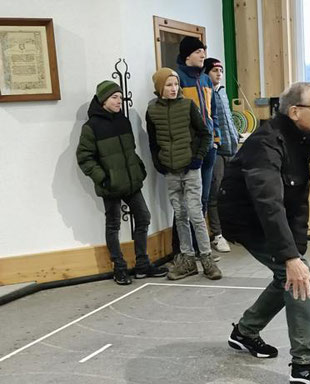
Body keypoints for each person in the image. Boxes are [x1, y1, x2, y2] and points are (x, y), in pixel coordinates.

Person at [218, 82, 310, 384]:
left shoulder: (301, 138)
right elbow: (268, 204)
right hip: (246, 219)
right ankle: (305, 364)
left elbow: (297, 198)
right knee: (296, 275)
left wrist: (297, 249)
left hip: (264, 215)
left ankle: (245, 332)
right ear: (295, 111)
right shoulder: (265, 145)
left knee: (290, 274)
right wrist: (292, 257)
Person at [77, 80, 167, 285]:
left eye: (119, 97)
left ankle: (143, 264)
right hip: (111, 186)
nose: (119, 101)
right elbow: (84, 158)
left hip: (131, 182)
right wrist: (104, 179)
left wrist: (139, 169)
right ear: (103, 101)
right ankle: (119, 268)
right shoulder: (91, 127)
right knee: (113, 225)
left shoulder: (122, 120)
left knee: (143, 217)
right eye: (114, 97)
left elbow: (130, 150)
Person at [146, 68, 222, 280]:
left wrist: (197, 157)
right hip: (170, 171)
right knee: (180, 215)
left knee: (196, 214)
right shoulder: (152, 110)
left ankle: (206, 258)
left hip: (190, 168)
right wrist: (157, 162)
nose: (173, 88)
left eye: (176, 84)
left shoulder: (188, 106)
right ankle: (187, 259)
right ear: (160, 87)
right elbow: (153, 141)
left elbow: (205, 134)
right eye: (169, 85)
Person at [204, 57, 240, 253]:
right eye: (214, 70)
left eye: (221, 70)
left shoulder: (223, 93)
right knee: (214, 193)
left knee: (231, 192)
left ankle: (230, 230)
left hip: (232, 148)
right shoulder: (206, 93)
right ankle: (217, 234)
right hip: (217, 150)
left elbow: (228, 119)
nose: (219, 74)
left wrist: (235, 135)